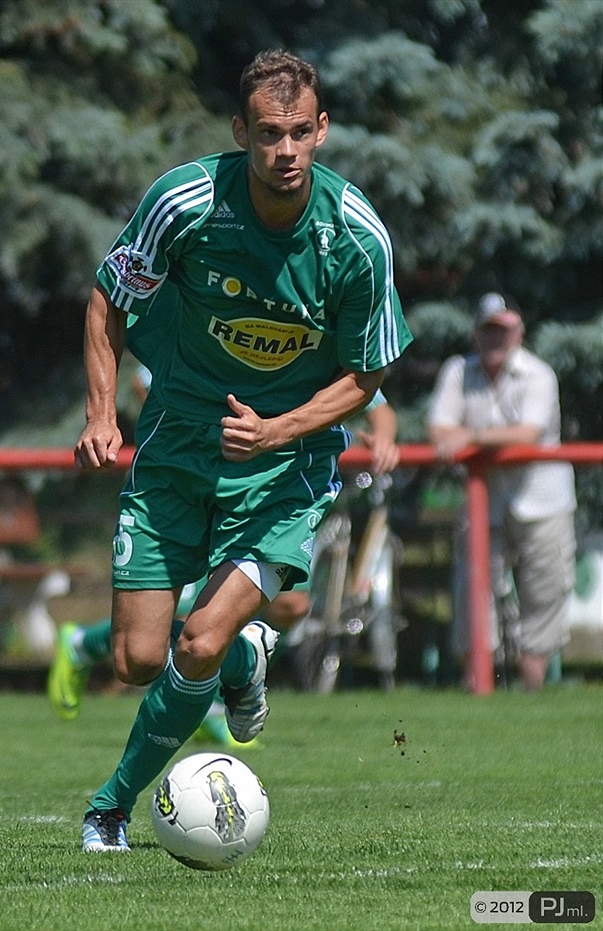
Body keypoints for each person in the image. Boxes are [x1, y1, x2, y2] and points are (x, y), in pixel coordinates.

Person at [73, 49, 412, 852]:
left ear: (322, 131)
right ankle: (242, 666)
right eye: (268, 134)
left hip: (283, 469)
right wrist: (100, 413)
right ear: (241, 132)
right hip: (177, 444)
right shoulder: (185, 202)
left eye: (299, 132)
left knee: (200, 635)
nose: (285, 151)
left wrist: (279, 429)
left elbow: (371, 372)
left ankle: (110, 807)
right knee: (137, 657)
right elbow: (107, 300)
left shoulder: (354, 238)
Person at [47, 390, 401, 735]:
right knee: (185, 620)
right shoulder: (217, 338)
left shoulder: (318, 346)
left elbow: (372, 395)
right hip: (203, 479)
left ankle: (234, 680)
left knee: (291, 605)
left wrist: (383, 438)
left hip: (282, 494)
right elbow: (144, 378)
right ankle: (101, 651)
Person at [427, 292, 576, 691]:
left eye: (503, 330)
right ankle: (477, 685)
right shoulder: (458, 371)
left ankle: (532, 689)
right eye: (489, 330)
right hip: (484, 501)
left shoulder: (539, 373)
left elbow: (526, 434)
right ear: (476, 334)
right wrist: (464, 437)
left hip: (544, 500)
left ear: (519, 332)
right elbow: (438, 430)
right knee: (472, 587)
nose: (496, 338)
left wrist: (469, 436)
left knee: (544, 592)